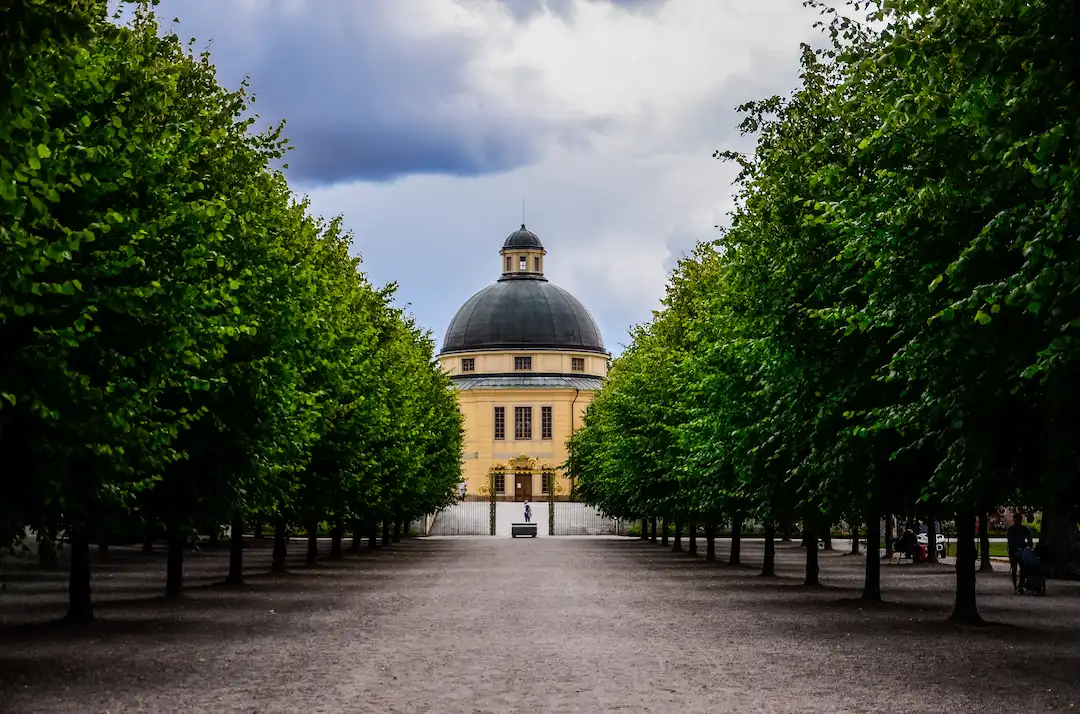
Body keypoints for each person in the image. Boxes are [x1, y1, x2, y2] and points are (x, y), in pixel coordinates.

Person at [1006, 513, 1033, 591]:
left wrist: (1028, 546)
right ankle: (1017, 586)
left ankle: (1019, 585)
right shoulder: (1016, 529)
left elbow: (1029, 539)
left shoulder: (1018, 529)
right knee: (1016, 568)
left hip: (1019, 550)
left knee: (1021, 568)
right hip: (1015, 550)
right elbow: (1010, 540)